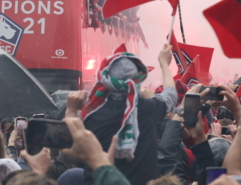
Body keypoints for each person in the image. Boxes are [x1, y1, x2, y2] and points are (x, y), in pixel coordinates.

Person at [67, 44, 177, 185]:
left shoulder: (90, 114)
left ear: (104, 79)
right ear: (137, 81)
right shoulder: (147, 109)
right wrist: (164, 64)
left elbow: (67, 151)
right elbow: (171, 95)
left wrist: (71, 110)